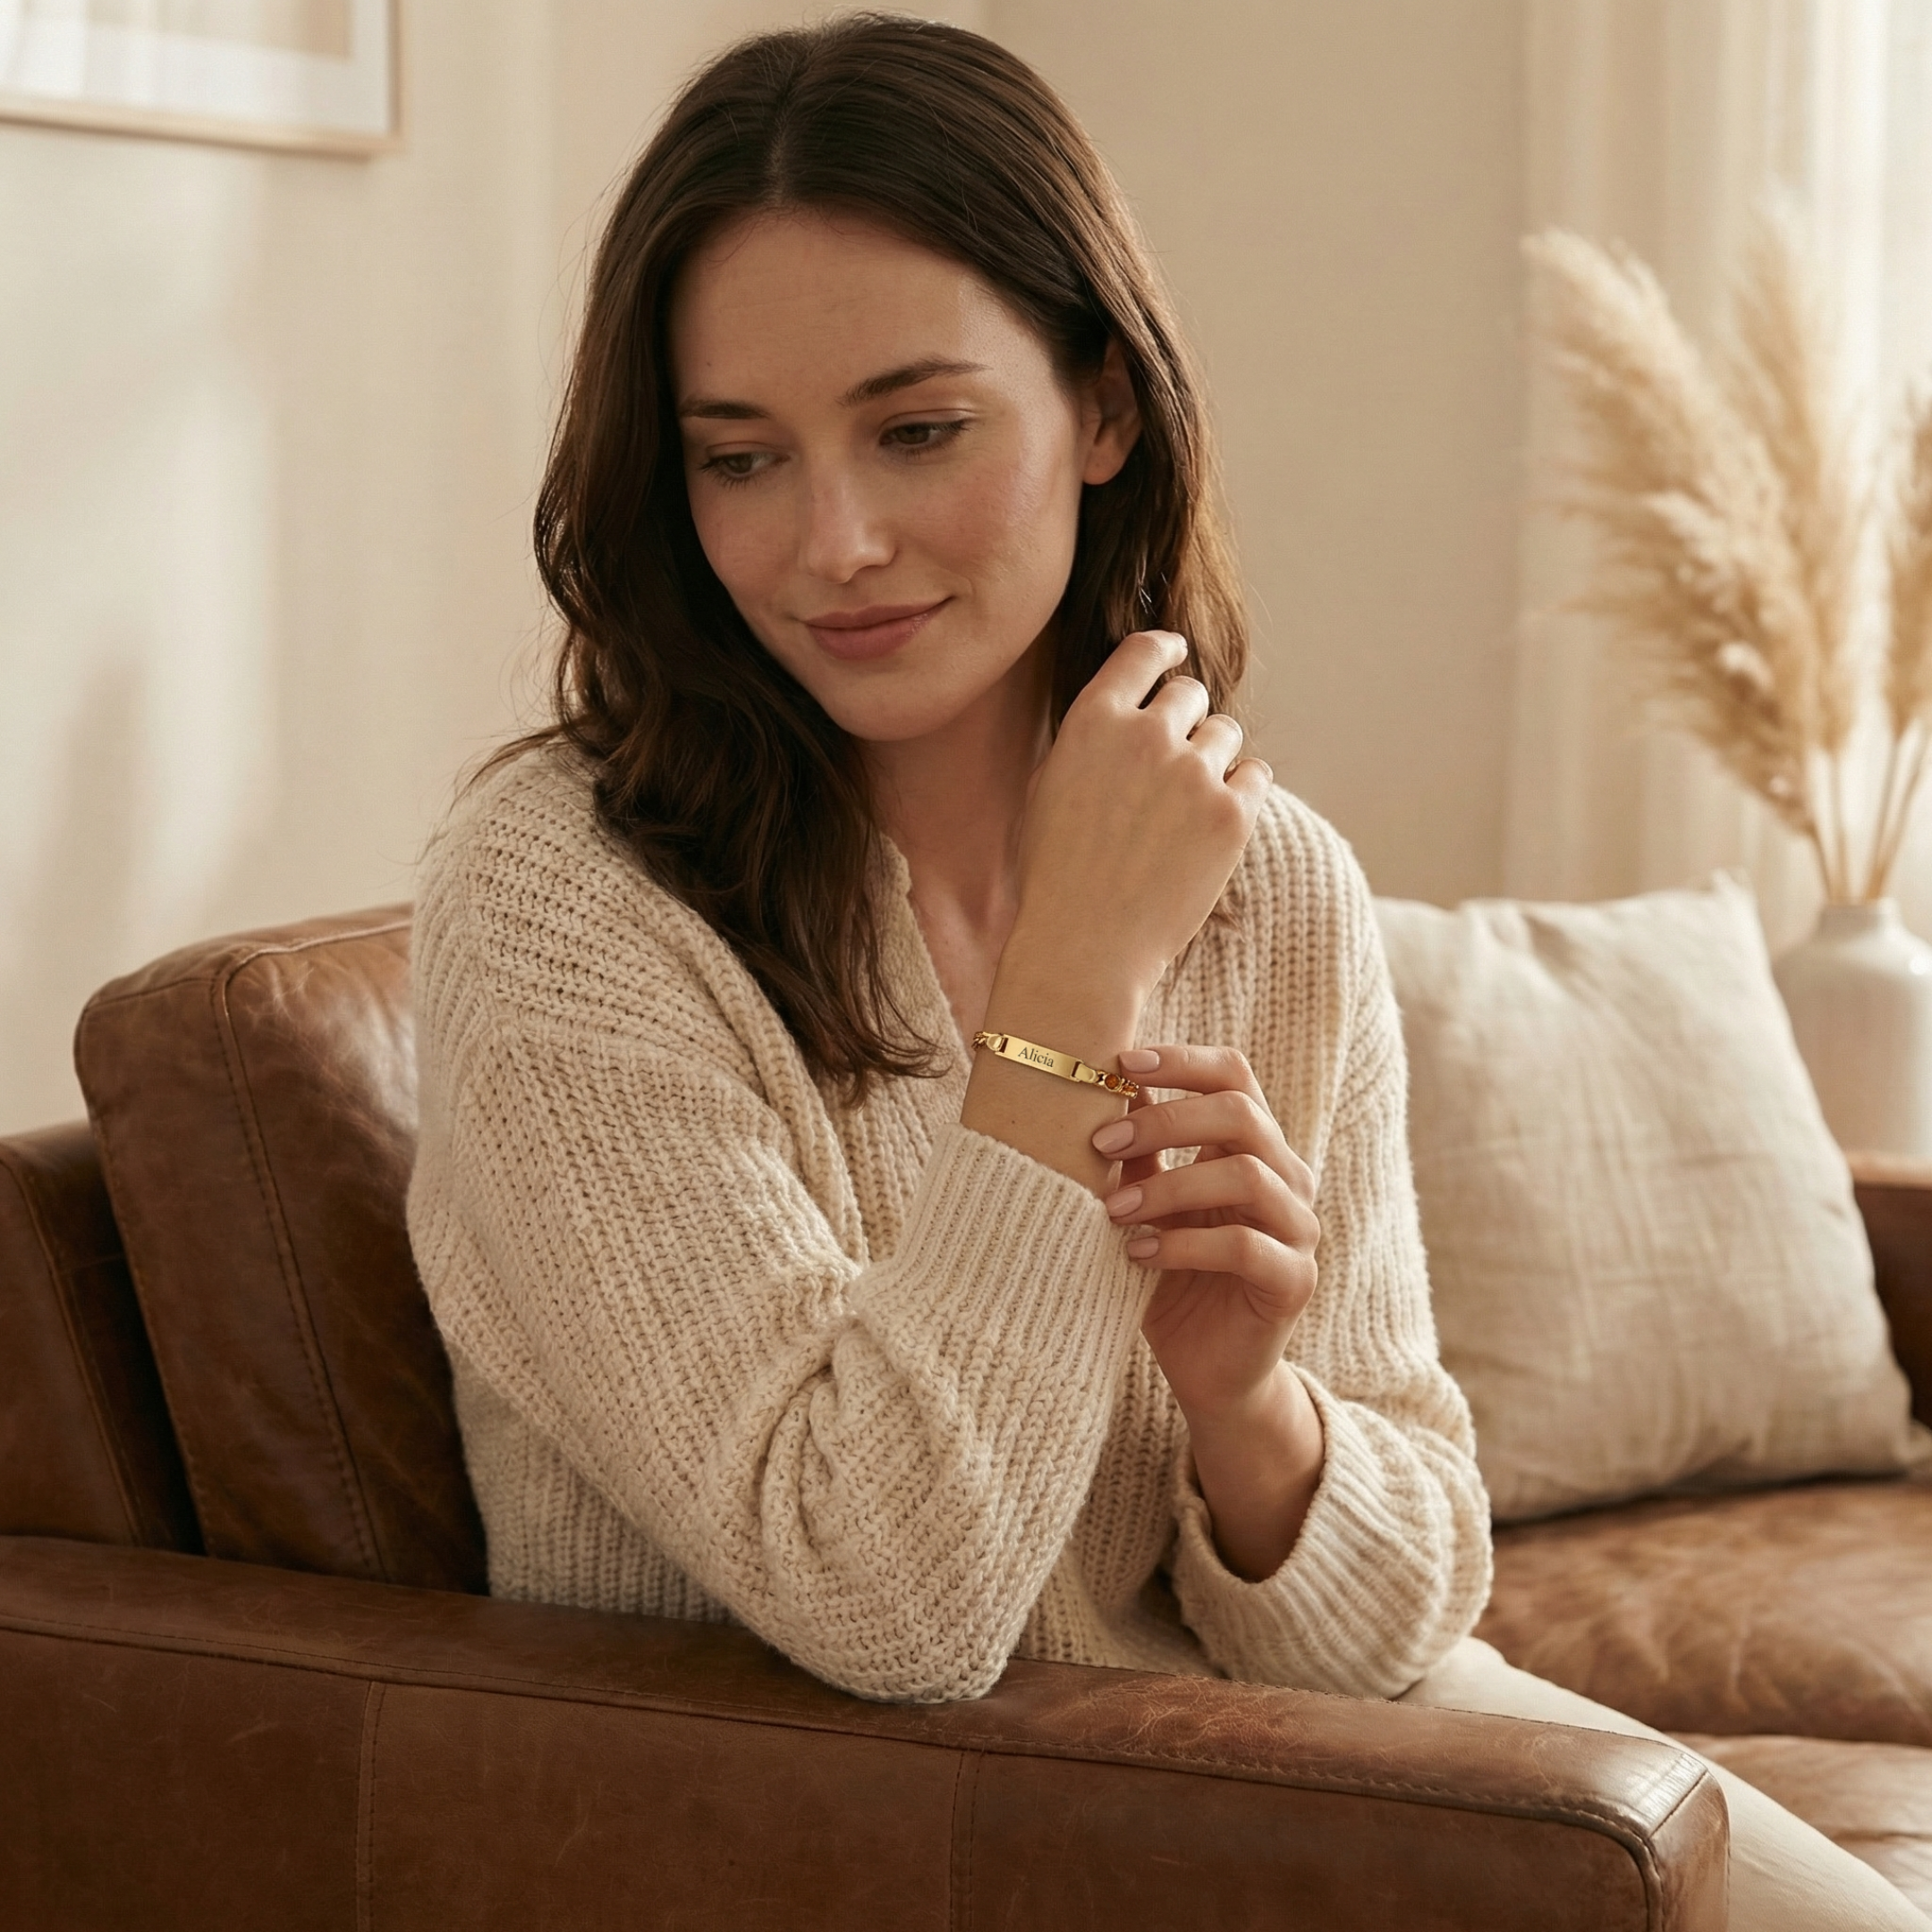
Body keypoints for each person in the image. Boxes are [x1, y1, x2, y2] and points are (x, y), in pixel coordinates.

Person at [405, 17, 1928, 1928]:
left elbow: (1395, 1613)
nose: (836, 543)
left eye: (919, 429)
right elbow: (887, 1598)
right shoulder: (565, 902)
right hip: (840, 1833)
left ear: (1104, 407)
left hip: (1245, 1774)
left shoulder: (1271, 885)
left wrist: (1251, 1417)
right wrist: (1068, 991)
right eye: (742, 459)